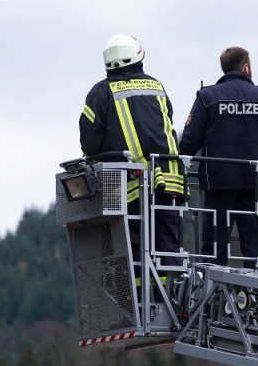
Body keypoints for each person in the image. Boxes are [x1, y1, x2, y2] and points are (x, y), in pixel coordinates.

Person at [79, 34, 184, 268]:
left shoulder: (100, 93)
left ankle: (141, 299)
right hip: (169, 183)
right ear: (138, 55)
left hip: (129, 188)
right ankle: (171, 297)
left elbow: (89, 143)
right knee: (167, 247)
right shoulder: (157, 87)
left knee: (132, 252)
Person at [179, 46, 258, 267]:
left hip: (218, 185)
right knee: (255, 251)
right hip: (257, 186)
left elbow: (188, 144)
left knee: (214, 251)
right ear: (246, 67)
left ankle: (213, 298)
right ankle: (251, 297)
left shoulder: (207, 97)